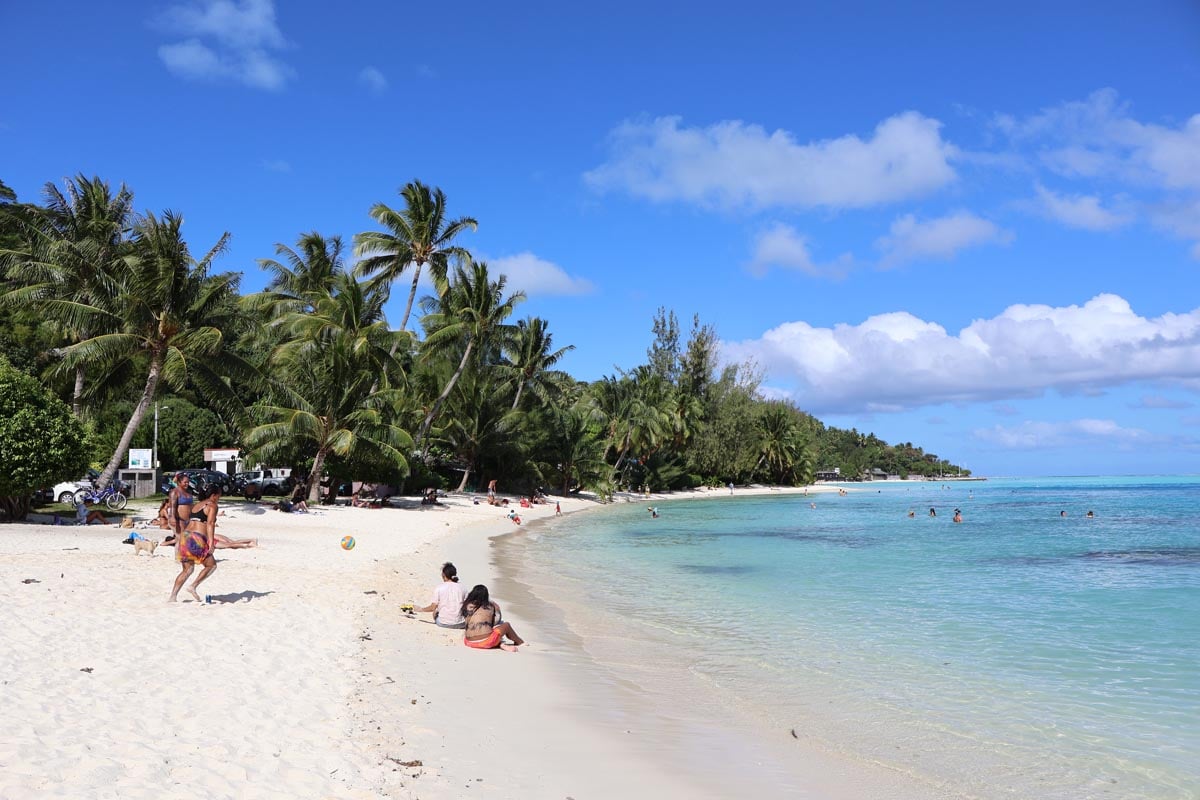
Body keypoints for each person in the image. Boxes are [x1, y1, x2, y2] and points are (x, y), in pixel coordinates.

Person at [169, 477, 217, 603]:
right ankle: (193, 586)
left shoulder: (196, 505)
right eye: (219, 495)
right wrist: (211, 543)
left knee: (187, 569)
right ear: (214, 495)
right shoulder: (212, 505)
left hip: (186, 537)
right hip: (197, 538)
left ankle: (173, 596)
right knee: (211, 565)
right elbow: (210, 524)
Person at [461, 585, 524, 651]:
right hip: (486, 642)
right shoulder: (491, 605)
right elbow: (496, 621)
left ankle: (500, 644)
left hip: (468, 642)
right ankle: (519, 642)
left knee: (490, 631)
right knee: (506, 625)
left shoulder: (467, 605)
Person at [415, 562, 468, 629]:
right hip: (461, 623)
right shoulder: (463, 588)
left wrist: (421, 609)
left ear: (443, 575)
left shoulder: (439, 587)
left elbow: (432, 607)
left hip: (443, 623)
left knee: (436, 611)